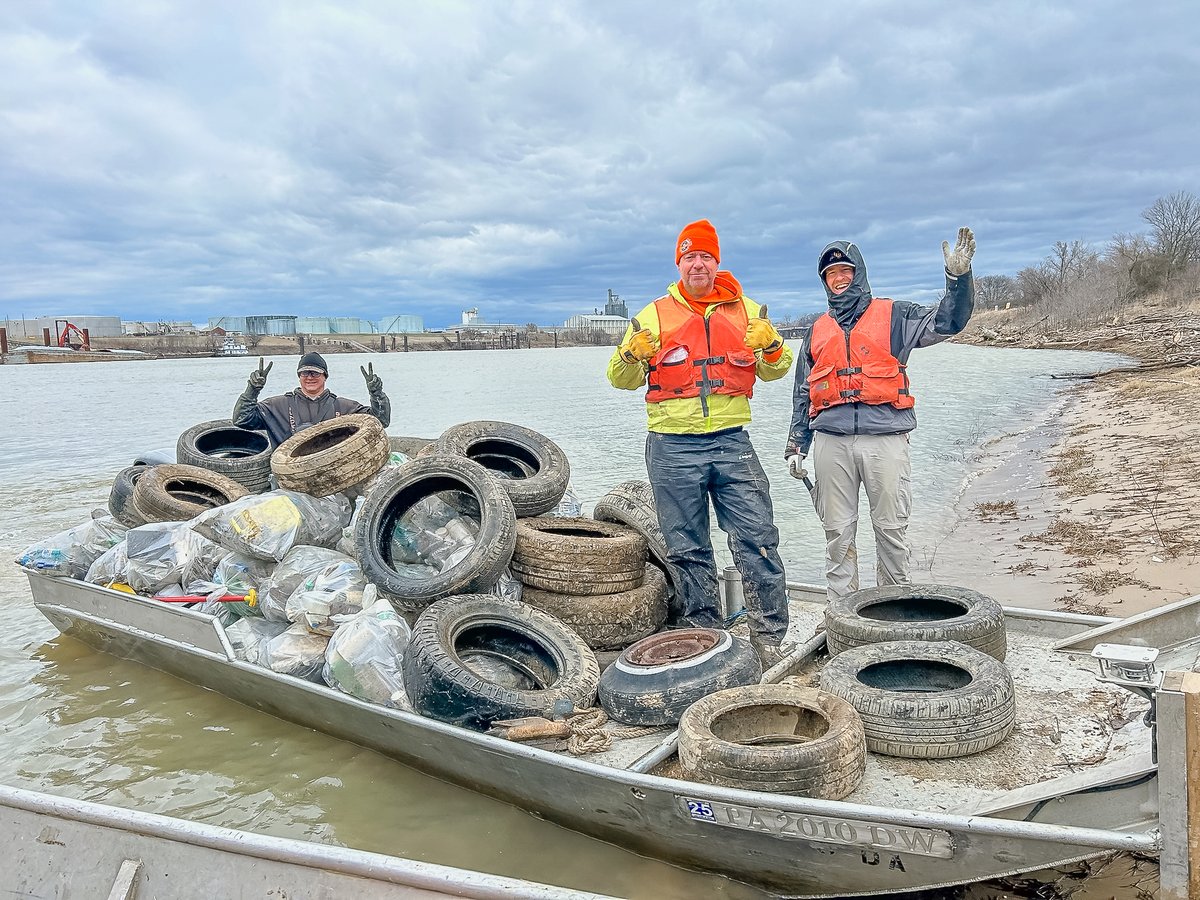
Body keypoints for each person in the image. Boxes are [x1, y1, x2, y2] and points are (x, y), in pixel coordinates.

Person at [607, 219, 795, 666]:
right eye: (689, 256)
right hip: (671, 447)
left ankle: (769, 637)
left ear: (716, 261)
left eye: (705, 256)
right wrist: (632, 352)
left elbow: (777, 368)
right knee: (687, 546)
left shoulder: (748, 310)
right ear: (679, 262)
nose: (697, 264)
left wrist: (771, 346)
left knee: (758, 536)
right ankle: (705, 634)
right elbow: (619, 378)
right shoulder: (652, 315)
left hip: (732, 442)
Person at [784, 228, 976, 599]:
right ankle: (840, 613)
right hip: (830, 443)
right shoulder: (816, 332)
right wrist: (796, 445)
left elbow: (948, 322)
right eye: (831, 274)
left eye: (845, 271)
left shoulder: (895, 315)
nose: (839, 279)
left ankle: (893, 606)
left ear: (860, 273)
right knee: (837, 532)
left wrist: (958, 280)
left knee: (890, 528)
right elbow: (803, 393)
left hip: (885, 441)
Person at [232, 351, 391, 446]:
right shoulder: (276, 406)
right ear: (299, 376)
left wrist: (376, 394)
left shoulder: (344, 407)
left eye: (315, 373)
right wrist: (252, 390)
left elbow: (380, 421)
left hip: (333, 479)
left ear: (325, 376)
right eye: (304, 373)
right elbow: (241, 419)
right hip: (290, 479)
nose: (310, 377)